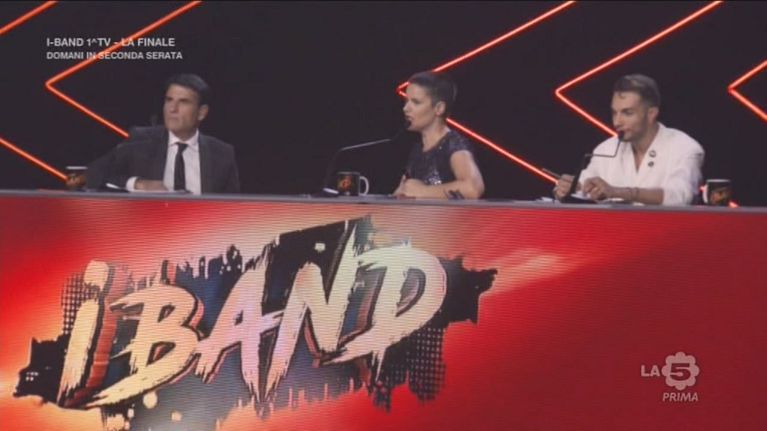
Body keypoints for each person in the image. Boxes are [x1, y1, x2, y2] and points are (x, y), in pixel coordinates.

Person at [553, 74, 704, 205]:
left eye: (627, 113)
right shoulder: (605, 149)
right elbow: (581, 189)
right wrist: (568, 189)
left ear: (651, 114)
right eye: (614, 113)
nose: (617, 122)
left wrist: (618, 192)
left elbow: (680, 196)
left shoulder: (685, 147)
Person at [91, 73, 240, 194]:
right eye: (169, 100)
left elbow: (233, 208)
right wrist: (138, 184)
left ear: (201, 112)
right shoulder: (141, 141)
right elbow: (93, 174)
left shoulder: (222, 154)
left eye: (183, 102)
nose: (172, 109)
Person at [393, 71, 484, 199]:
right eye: (406, 101)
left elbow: (473, 188)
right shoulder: (418, 149)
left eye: (416, 102)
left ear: (439, 108)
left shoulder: (453, 144)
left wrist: (423, 191)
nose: (406, 108)